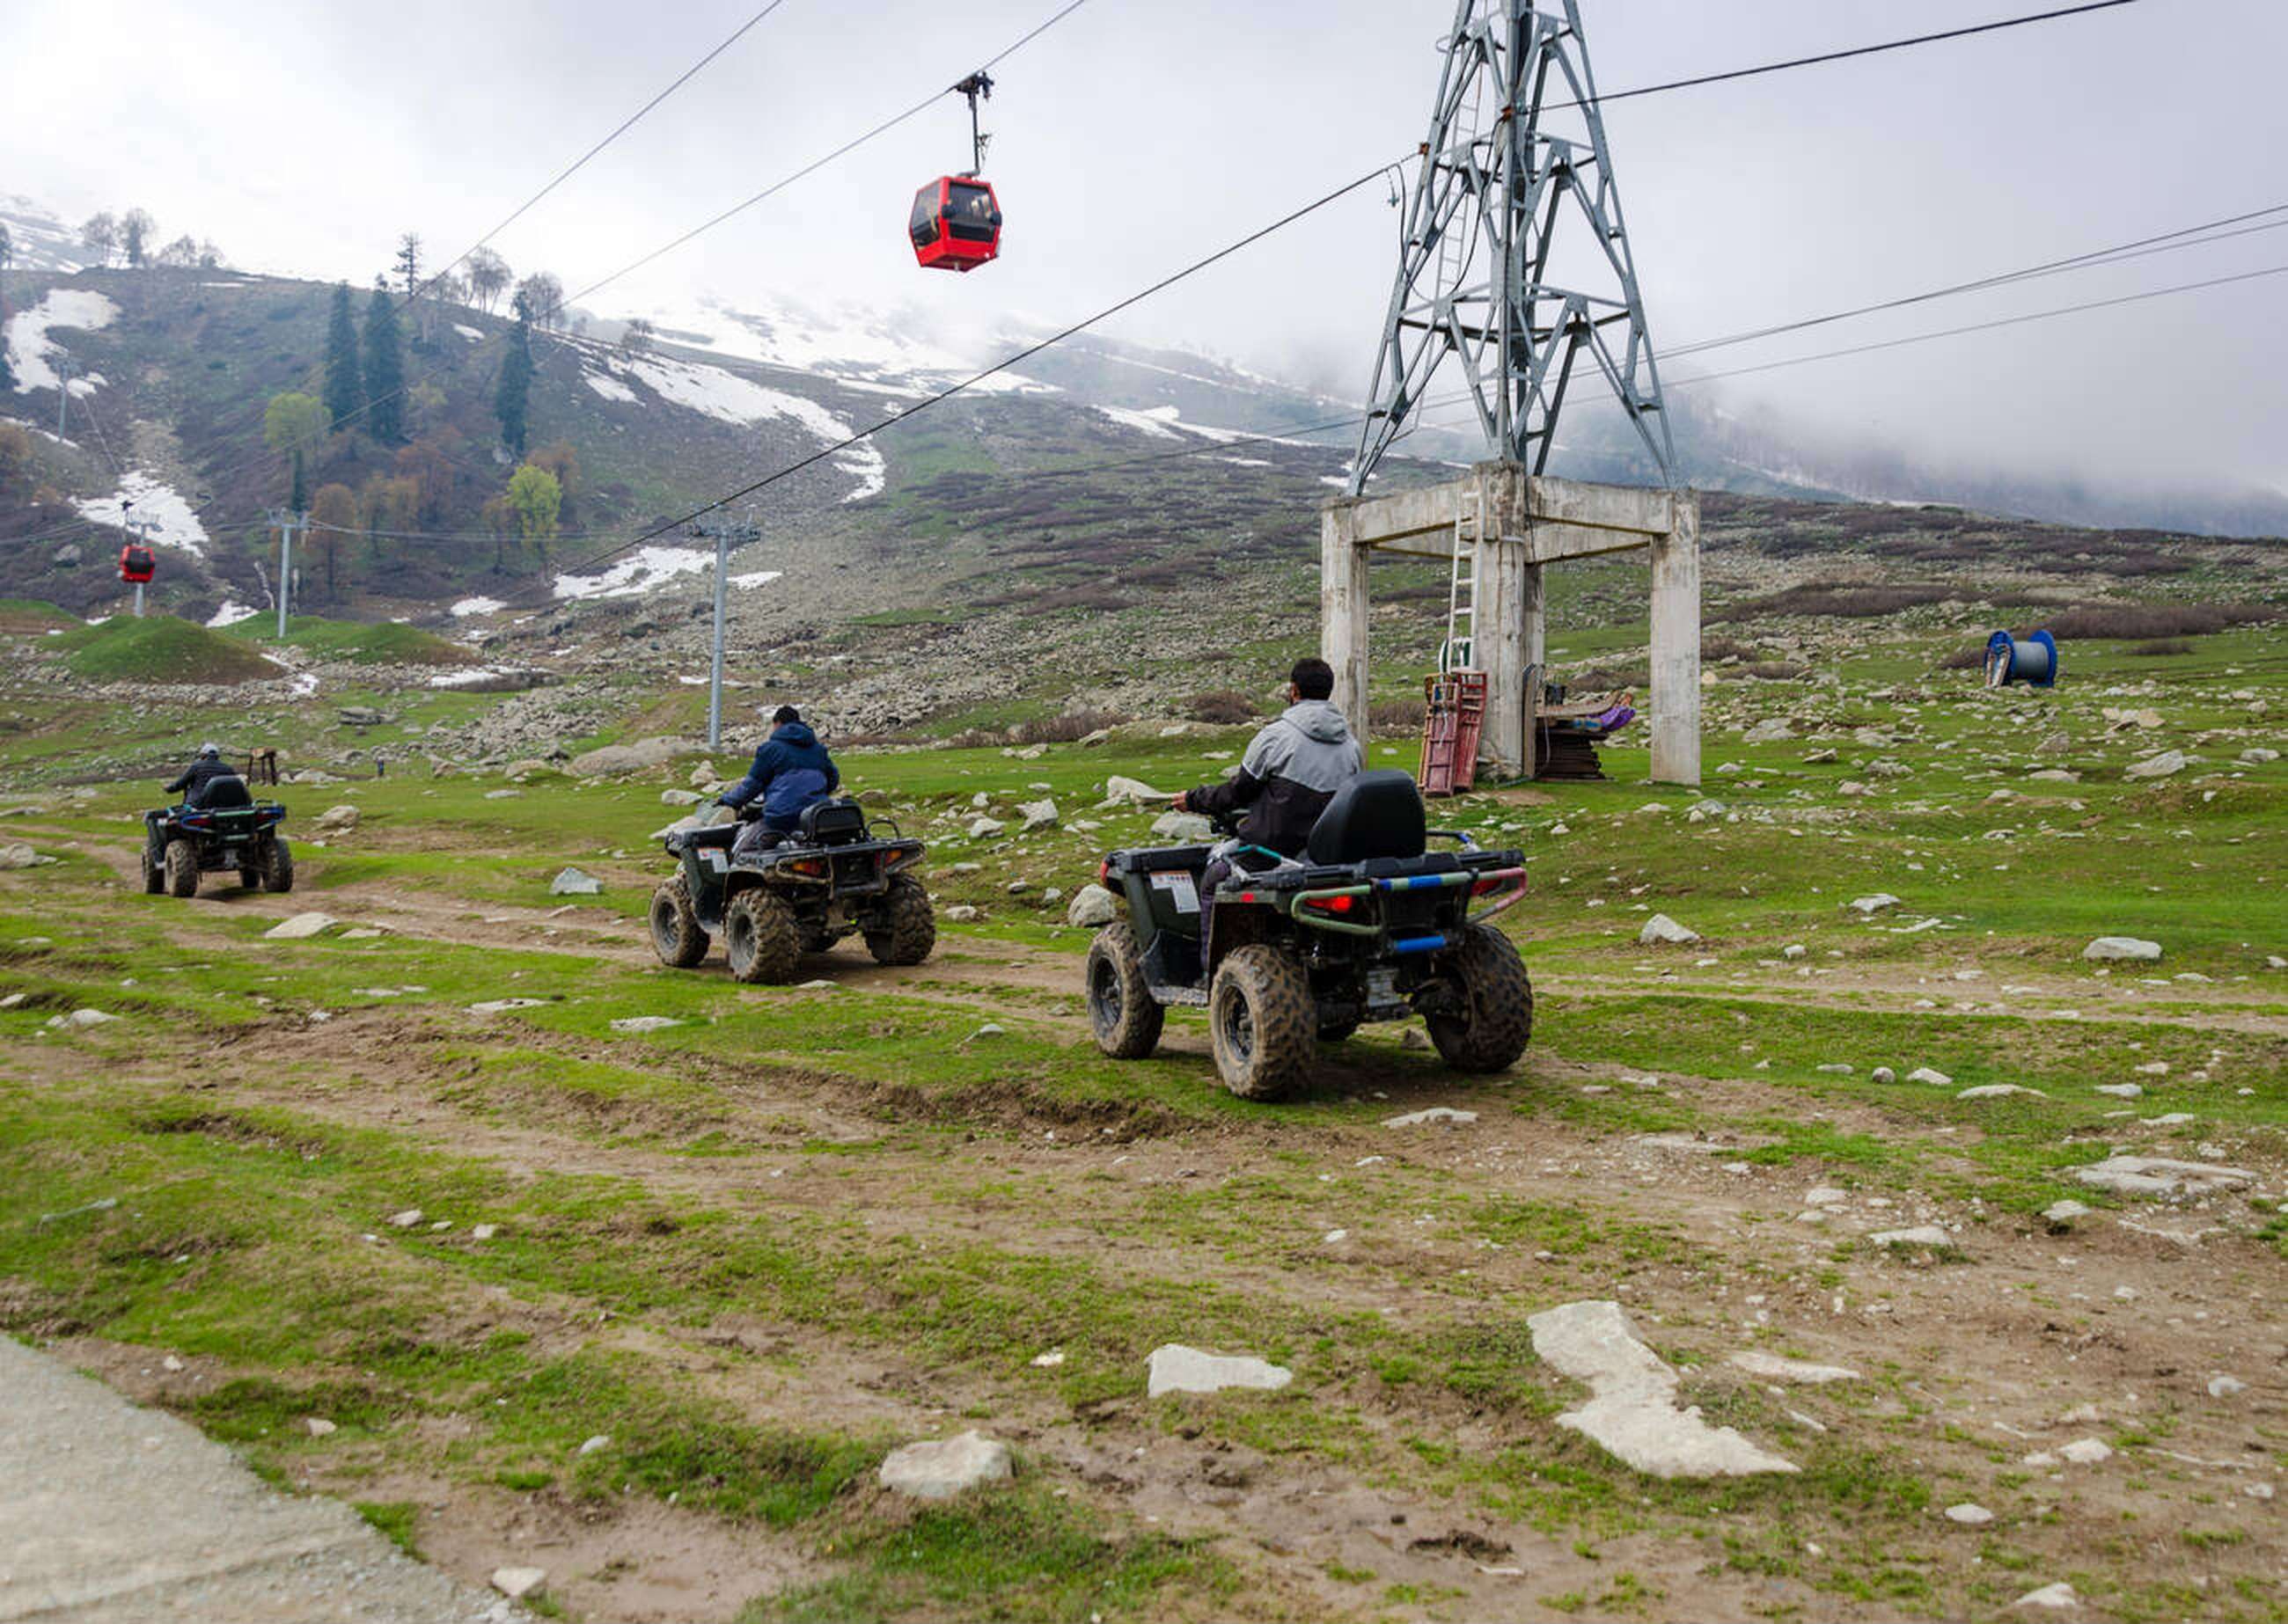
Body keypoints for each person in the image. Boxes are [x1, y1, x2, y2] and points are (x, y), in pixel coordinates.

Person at [1174, 657, 1363, 968]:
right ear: (1329, 690)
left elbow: (1236, 792)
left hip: (1273, 852)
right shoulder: (1351, 745)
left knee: (1213, 879)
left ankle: (1213, 972)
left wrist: (1194, 799)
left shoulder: (1276, 736)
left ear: (1294, 690)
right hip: (1329, 855)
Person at [720, 706, 840, 856]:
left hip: (782, 818)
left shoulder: (771, 749)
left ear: (777, 723)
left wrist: (728, 800)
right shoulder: (818, 749)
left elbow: (751, 785)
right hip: (814, 816)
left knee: (743, 853)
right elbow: (833, 779)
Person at [150, 743, 252, 865]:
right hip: (229, 810)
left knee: (158, 818)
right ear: (217, 756)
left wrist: (167, 788)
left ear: (203, 755)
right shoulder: (227, 768)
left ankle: (160, 859)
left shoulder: (196, 766)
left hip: (198, 808)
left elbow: (179, 785)